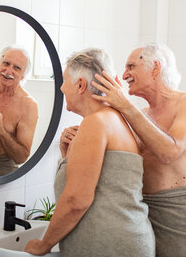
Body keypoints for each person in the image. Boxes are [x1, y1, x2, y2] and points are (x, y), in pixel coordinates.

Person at [25, 48, 155, 257]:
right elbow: (105, 183)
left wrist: (43, 245)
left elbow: (76, 200)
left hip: (111, 247)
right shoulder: (115, 119)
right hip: (127, 240)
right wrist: (67, 155)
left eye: (64, 80)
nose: (61, 87)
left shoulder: (96, 123)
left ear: (80, 85)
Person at [91, 43, 186, 257]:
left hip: (185, 214)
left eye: (131, 66)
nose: (124, 74)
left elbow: (169, 151)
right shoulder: (143, 114)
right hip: (146, 212)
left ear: (155, 68)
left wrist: (125, 106)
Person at [0, 45, 38, 177]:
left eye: (16, 68)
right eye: (6, 63)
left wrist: (0, 128)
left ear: (23, 75)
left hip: (3, 165)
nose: (8, 71)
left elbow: (21, 157)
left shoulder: (28, 105)